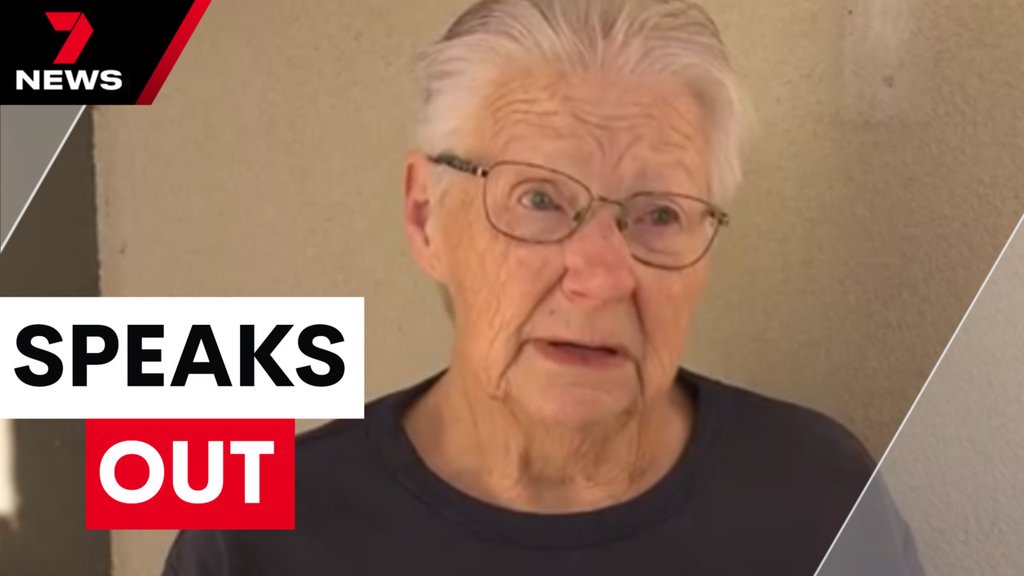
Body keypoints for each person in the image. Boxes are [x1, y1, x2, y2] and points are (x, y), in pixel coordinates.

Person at [163, 0, 924, 574]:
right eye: (538, 199)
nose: (600, 277)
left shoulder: (817, 499)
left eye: (659, 215)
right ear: (426, 217)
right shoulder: (258, 534)